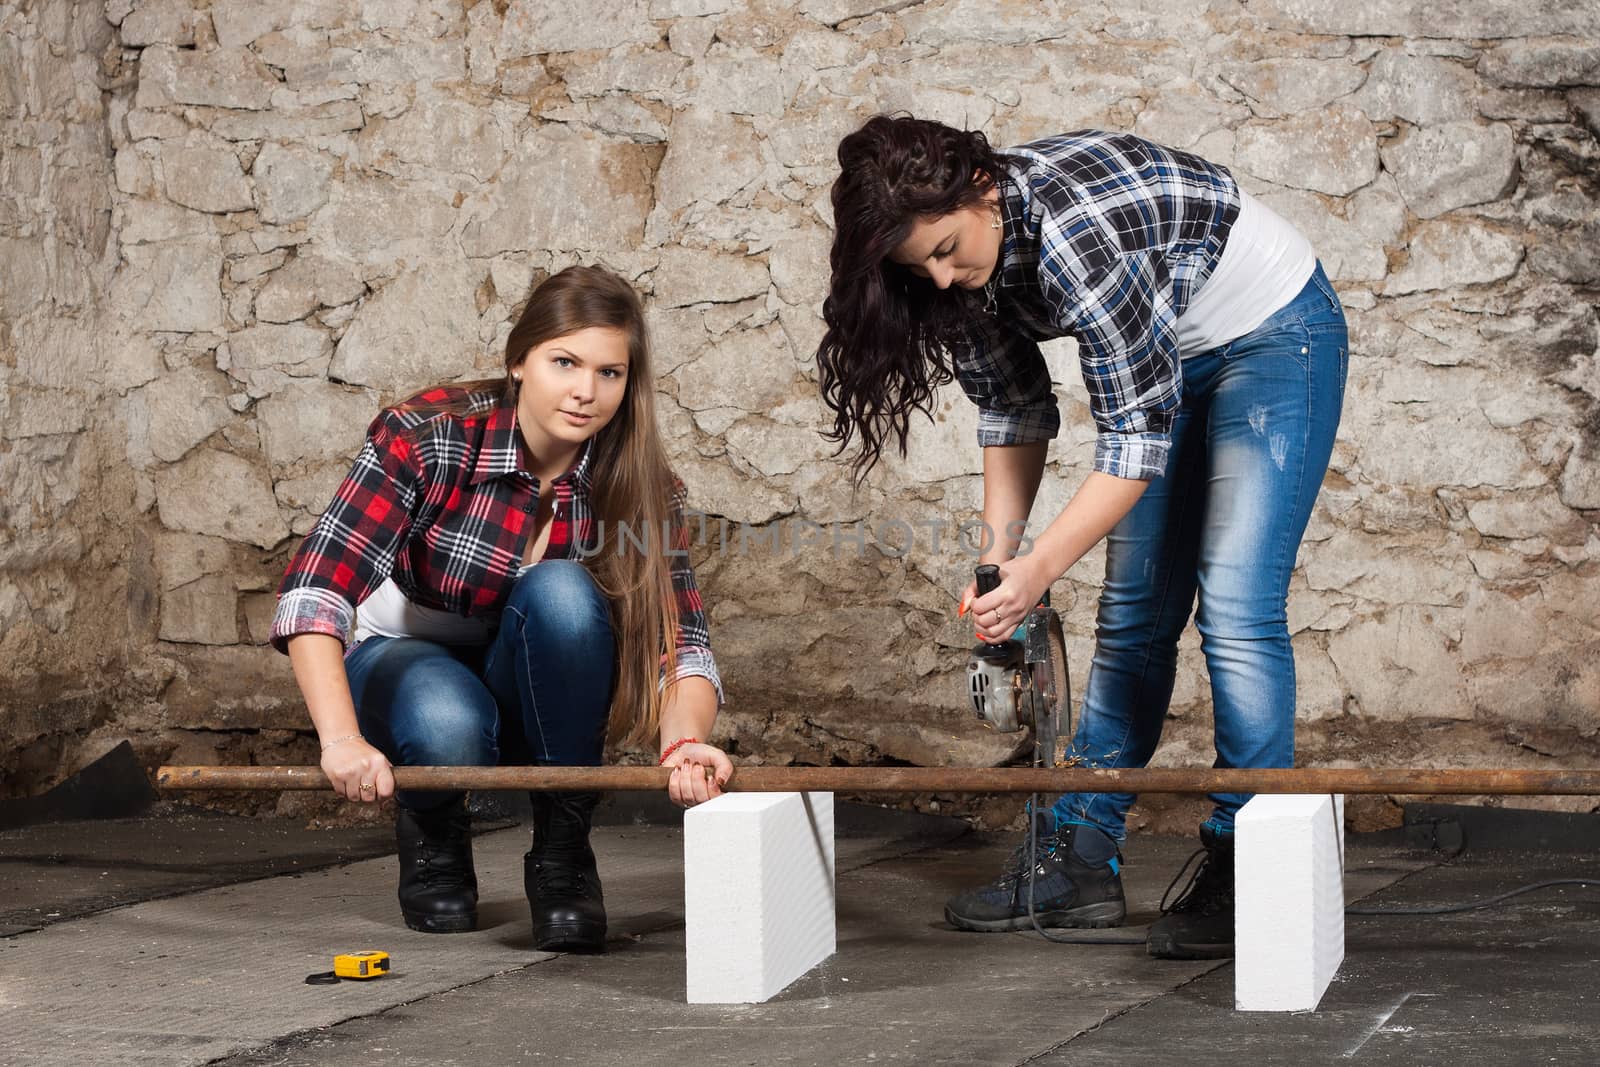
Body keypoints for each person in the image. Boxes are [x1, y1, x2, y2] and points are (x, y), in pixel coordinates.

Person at [817, 116, 1347, 959]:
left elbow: (1133, 439)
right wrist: (1001, 561)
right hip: (1170, 346)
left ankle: (1255, 862)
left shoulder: (1076, 235)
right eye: (921, 266)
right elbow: (1013, 408)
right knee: (1134, 612)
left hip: (1274, 334)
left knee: (1237, 605)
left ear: (981, 188)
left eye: (949, 248)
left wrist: (1042, 569)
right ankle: (1081, 860)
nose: (945, 277)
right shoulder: (957, 275)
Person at [270, 264, 730, 953]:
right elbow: (316, 587)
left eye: (610, 372)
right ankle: (434, 828)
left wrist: (683, 740)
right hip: (405, 658)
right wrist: (340, 739)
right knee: (446, 718)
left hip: (533, 677)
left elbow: (681, 641)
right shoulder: (428, 435)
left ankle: (564, 849)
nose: (586, 390)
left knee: (565, 594)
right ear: (519, 360)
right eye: (565, 362)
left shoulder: (636, 482)